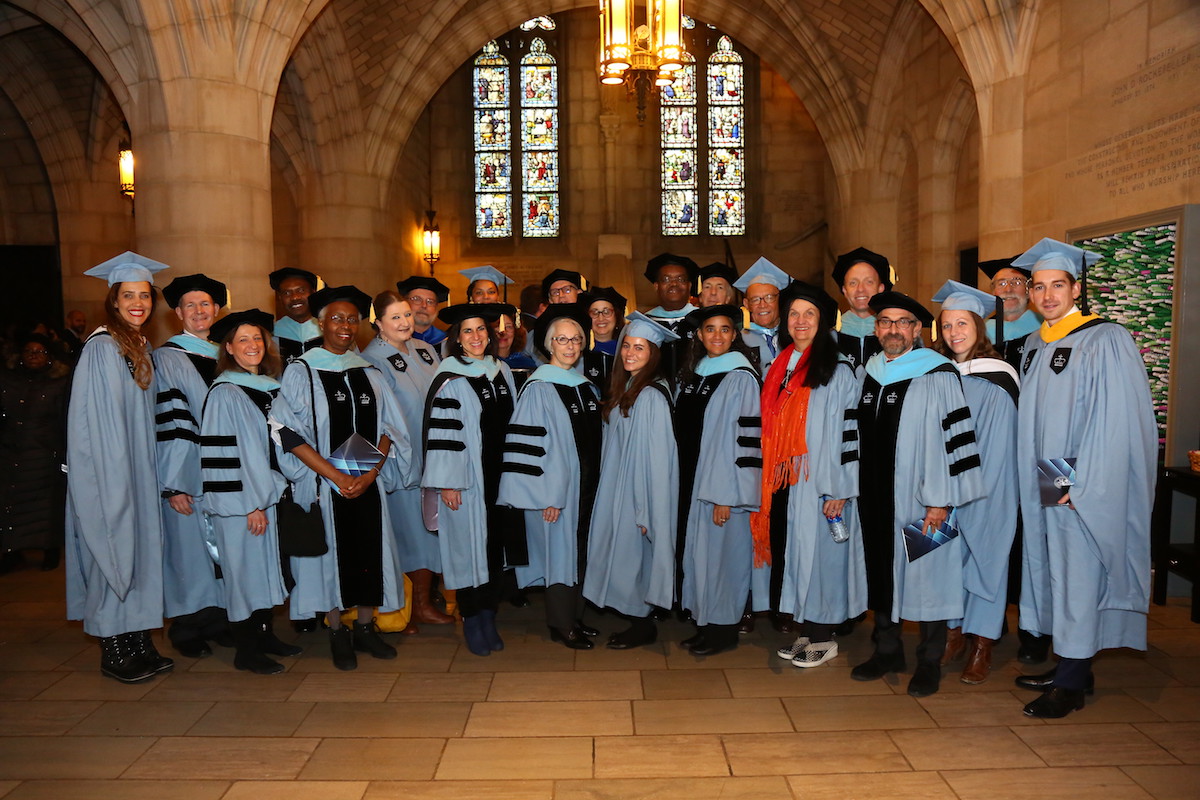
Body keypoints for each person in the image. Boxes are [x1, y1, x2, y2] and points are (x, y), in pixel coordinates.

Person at [1011, 238, 1156, 718]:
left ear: (1077, 288)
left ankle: (1071, 683)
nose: (1048, 295)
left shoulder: (1104, 339)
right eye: (1039, 286)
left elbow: (1114, 424)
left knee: (1076, 571)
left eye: (1058, 285)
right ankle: (1072, 663)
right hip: (1041, 476)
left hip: (1068, 479)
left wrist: (1078, 484)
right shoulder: (1036, 342)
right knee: (1052, 569)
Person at [272, 285, 412, 670]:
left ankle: (366, 627)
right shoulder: (303, 369)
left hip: (366, 480)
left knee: (370, 551)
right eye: (337, 318)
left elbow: (390, 428)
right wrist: (335, 475)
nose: (346, 326)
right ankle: (337, 631)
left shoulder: (368, 370)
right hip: (325, 483)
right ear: (321, 323)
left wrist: (370, 474)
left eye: (352, 319)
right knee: (332, 556)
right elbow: (286, 431)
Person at [851, 291, 983, 698]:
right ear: (876, 329)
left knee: (929, 577)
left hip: (924, 499)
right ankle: (887, 649)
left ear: (917, 330)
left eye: (903, 322)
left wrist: (941, 500)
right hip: (873, 497)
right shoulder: (869, 372)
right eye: (885, 322)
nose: (893, 329)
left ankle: (929, 659)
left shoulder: (938, 373)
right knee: (882, 571)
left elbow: (954, 440)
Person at [66, 251, 174, 683]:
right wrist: (116, 477)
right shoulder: (102, 347)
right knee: (113, 547)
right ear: (113, 300)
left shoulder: (138, 344)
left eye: (145, 296)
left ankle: (139, 639)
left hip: (138, 469)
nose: (138, 303)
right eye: (128, 295)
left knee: (142, 551)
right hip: (112, 471)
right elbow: (97, 423)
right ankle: (114, 646)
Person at [757, 283, 865, 669]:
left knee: (823, 558)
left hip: (823, 482)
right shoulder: (782, 365)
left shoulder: (836, 368)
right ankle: (807, 627)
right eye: (794, 315)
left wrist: (839, 488)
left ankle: (824, 636)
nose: (800, 321)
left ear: (823, 322)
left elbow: (847, 434)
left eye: (809, 314)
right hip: (789, 480)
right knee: (799, 555)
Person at [421, 302, 526, 656]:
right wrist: (447, 482)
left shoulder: (502, 370)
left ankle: (489, 615)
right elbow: (443, 435)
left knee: (495, 550)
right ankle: (471, 619)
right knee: (467, 552)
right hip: (467, 480)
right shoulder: (450, 378)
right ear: (457, 339)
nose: (476, 336)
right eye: (468, 331)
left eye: (481, 329)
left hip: (501, 479)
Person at [200, 309, 301, 674]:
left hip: (269, 498)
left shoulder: (271, 386)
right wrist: (250, 506)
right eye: (243, 340)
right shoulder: (225, 392)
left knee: (266, 571)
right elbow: (225, 457)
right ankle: (246, 650)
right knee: (243, 575)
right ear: (228, 347)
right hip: (242, 504)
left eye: (257, 338)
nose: (252, 345)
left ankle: (265, 636)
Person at [930, 280, 1019, 685]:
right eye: (947, 326)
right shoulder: (936, 371)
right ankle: (952, 632)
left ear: (978, 327)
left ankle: (982, 642)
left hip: (988, 489)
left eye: (962, 324)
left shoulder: (998, 377)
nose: (954, 333)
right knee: (944, 561)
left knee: (986, 561)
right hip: (942, 489)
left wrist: (962, 489)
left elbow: (998, 446)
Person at [498, 304, 602, 650]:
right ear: (548, 344)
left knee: (582, 552)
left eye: (576, 339)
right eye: (562, 340)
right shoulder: (539, 387)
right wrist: (546, 496)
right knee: (561, 554)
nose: (570, 346)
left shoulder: (586, 387)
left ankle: (576, 616)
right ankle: (561, 624)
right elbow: (529, 447)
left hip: (589, 489)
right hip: (559, 493)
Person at [360, 290, 455, 633]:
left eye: (407, 315)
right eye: (395, 317)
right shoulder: (372, 360)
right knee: (410, 536)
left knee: (430, 532)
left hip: (436, 456)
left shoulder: (426, 350)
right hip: (401, 460)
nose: (404, 322)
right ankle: (412, 608)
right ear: (378, 323)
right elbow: (381, 418)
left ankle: (424, 603)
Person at [583, 312, 680, 649]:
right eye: (627, 346)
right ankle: (637, 617)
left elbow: (655, 460)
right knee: (626, 556)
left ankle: (643, 623)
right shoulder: (626, 386)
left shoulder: (651, 396)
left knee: (636, 557)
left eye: (640, 348)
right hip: (619, 486)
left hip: (639, 492)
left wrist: (645, 510)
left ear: (653, 354)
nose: (630, 353)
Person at [674, 305, 762, 656]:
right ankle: (705, 623)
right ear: (699, 335)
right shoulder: (696, 373)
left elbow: (743, 442)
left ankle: (723, 631)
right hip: (694, 481)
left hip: (723, 488)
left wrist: (726, 494)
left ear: (735, 334)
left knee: (725, 557)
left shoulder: (740, 376)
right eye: (710, 329)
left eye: (725, 329)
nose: (717, 336)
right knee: (701, 556)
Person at [154, 273, 231, 659]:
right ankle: (185, 625)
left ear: (217, 310)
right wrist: (174, 483)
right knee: (187, 549)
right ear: (177, 312)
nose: (199, 311)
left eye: (205, 304)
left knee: (219, 547)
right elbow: (172, 422)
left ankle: (217, 617)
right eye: (190, 305)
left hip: (223, 470)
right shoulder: (167, 357)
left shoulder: (225, 353)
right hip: (187, 471)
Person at [0, 334, 69, 573]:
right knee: (11, 505)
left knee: (45, 508)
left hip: (44, 453)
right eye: (29, 351)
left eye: (39, 352)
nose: (33, 356)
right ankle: (12, 552)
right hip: (12, 453)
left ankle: (49, 550)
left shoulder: (59, 383)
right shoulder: (9, 380)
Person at [832, 247, 892, 370]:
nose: (860, 289)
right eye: (853, 283)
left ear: (880, 288)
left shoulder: (897, 333)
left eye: (869, 282)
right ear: (845, 290)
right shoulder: (829, 334)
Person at [980, 256, 1041, 371]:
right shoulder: (981, 331)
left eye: (1017, 282)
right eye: (1001, 284)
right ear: (993, 292)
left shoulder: (1045, 326)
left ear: (1029, 290)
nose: (1008, 290)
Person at [734, 257, 792, 373]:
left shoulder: (794, 335)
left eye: (769, 297)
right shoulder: (738, 342)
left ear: (780, 300)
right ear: (746, 304)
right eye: (755, 299)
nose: (762, 305)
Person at [578, 286, 626, 395]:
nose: (600, 318)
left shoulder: (627, 354)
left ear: (616, 316)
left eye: (607, 311)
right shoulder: (579, 356)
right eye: (594, 312)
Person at [270, 267, 322, 364]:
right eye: (287, 293)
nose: (295, 297)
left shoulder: (331, 331)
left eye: (301, 290)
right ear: (280, 298)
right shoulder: (272, 334)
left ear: (313, 292)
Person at [643, 253, 699, 335]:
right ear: (656, 286)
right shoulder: (645, 322)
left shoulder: (701, 319)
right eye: (666, 279)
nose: (674, 284)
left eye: (681, 279)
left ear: (689, 286)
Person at [397, 275, 450, 352]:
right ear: (405, 303)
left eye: (430, 301)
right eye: (417, 299)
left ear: (436, 308)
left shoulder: (447, 342)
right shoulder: (393, 340)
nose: (424, 305)